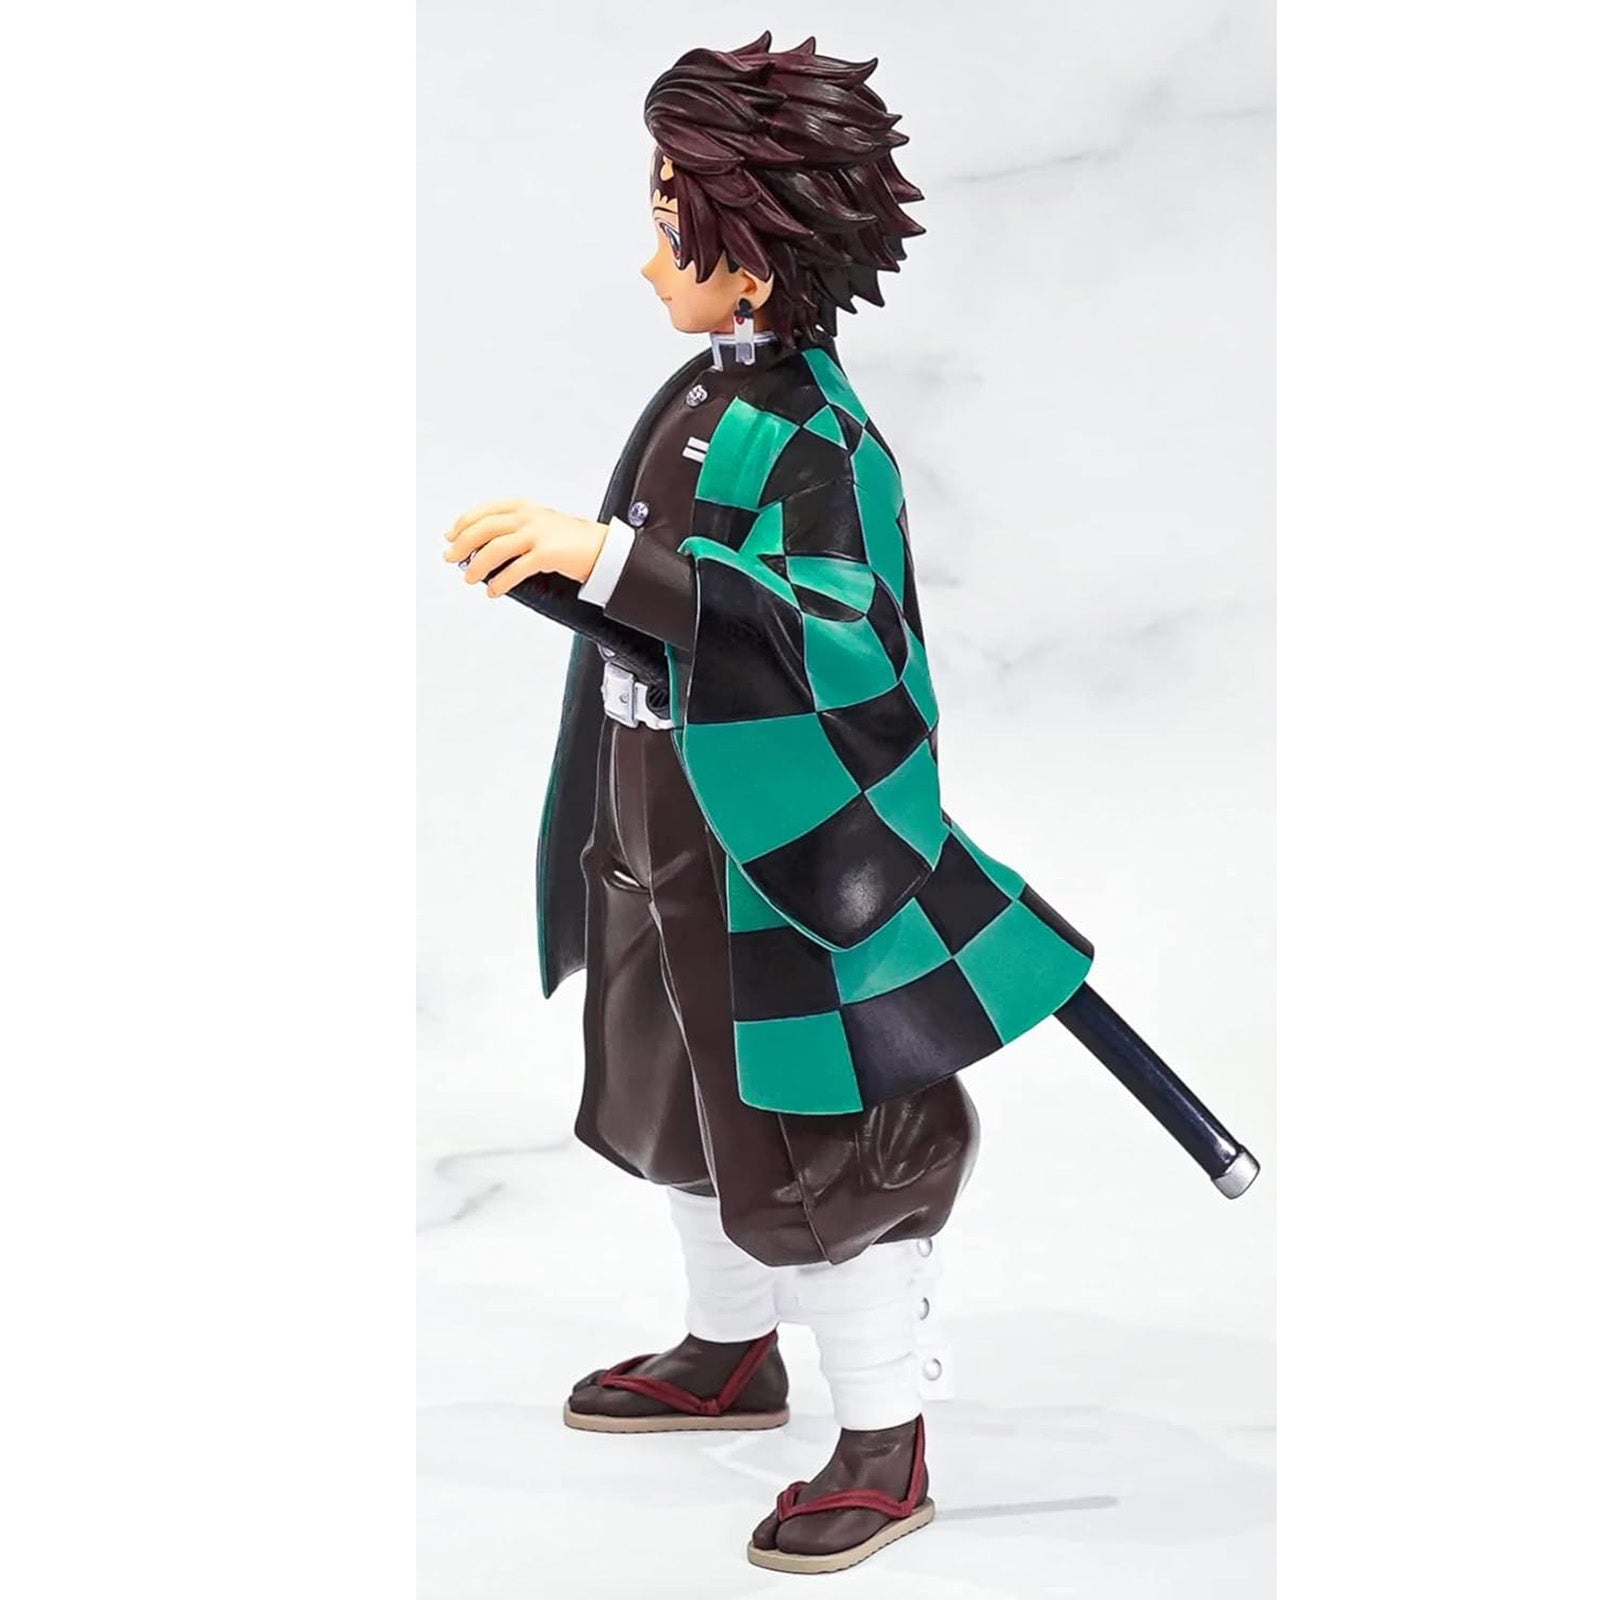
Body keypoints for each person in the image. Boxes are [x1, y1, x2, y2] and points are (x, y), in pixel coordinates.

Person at [444, 33, 1099, 1576]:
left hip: (775, 854)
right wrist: (574, 579)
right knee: (673, 1087)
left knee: (813, 1138)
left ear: (755, 248)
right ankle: (729, 1344)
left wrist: (612, 563)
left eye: (671, 222)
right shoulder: (700, 394)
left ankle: (885, 1435)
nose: (649, 258)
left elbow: (843, 643)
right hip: (653, 809)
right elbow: (672, 609)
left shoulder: (821, 441)